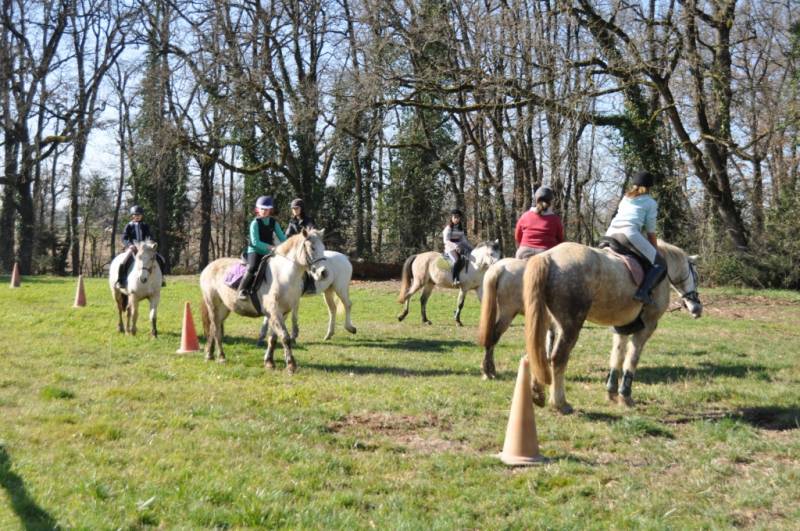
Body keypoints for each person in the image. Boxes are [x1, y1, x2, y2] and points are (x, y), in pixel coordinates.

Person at [605, 170, 666, 305]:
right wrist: (655, 251)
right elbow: (651, 232)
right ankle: (642, 292)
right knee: (660, 264)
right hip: (628, 234)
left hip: (610, 233)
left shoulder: (625, 198)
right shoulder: (650, 202)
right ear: (649, 187)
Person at [238, 195, 287, 301]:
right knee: (252, 267)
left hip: (269, 252)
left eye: (267, 209)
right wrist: (270, 247)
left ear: (270, 210)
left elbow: (283, 238)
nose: (264, 211)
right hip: (255, 251)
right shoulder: (254, 223)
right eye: (262, 209)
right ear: (257, 210)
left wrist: (290, 245)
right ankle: (242, 289)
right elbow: (255, 242)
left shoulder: (274, 223)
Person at [116, 205, 166, 289]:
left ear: (142, 216)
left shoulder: (145, 225)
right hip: (133, 248)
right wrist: (129, 245)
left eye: (139, 215)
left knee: (161, 258)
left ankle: (162, 278)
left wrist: (150, 243)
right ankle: (121, 280)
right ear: (132, 216)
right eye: (135, 215)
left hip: (144, 248)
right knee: (123, 262)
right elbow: (124, 238)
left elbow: (149, 236)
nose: (137, 217)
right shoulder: (129, 226)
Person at [514, 186, 565, 259]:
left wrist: (525, 244)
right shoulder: (555, 219)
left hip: (524, 252)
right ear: (550, 202)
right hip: (546, 253)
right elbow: (560, 240)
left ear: (536, 200)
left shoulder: (525, 216)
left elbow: (517, 236)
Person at [285, 198, 316, 293]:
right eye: (293, 208)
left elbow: (310, 233)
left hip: (308, 246)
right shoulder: (292, 221)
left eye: (296, 208)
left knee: (307, 261)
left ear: (301, 208)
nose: (294, 210)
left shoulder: (308, 220)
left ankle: (311, 285)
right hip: (297, 248)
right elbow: (287, 235)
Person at [442, 208, 472, 286]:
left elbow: (464, 241)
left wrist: (471, 248)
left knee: (467, 257)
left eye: (458, 217)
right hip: (450, 247)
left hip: (459, 247)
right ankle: (454, 278)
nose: (456, 219)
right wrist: (455, 246)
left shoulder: (460, 228)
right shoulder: (448, 228)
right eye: (455, 217)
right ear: (451, 218)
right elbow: (446, 241)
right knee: (456, 260)